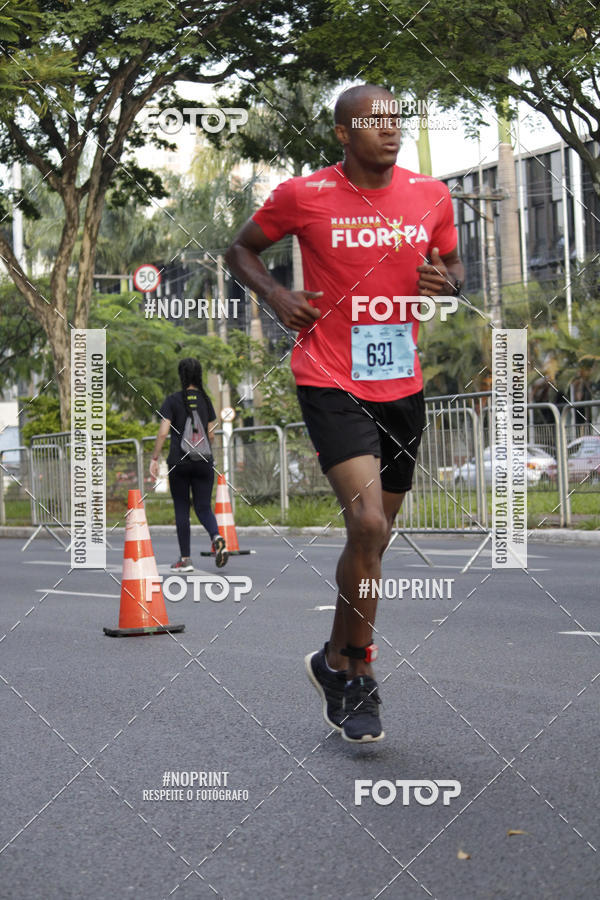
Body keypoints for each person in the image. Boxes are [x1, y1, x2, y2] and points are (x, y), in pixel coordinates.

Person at [225, 84, 464, 742]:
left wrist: (448, 281)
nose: (389, 131)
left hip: (402, 385)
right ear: (341, 133)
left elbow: (454, 266)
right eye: (373, 122)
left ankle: (333, 659)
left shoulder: (431, 195)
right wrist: (275, 294)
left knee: (375, 538)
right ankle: (357, 673)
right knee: (364, 523)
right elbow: (239, 250)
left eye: (397, 119)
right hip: (331, 378)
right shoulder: (305, 196)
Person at [149, 358, 228, 570]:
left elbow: (164, 432)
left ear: (181, 376)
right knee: (203, 506)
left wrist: (155, 458)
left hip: (179, 462)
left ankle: (185, 559)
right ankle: (216, 536)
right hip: (204, 461)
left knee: (182, 508)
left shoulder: (172, 400)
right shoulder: (205, 400)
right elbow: (211, 436)